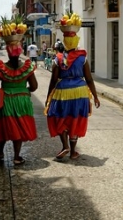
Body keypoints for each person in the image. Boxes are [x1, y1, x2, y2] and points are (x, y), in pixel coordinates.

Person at [45, 22, 100, 160]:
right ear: (76, 42)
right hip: (80, 91)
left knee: (60, 117)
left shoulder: (58, 59)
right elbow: (89, 79)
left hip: (62, 91)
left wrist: (48, 97)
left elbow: (53, 80)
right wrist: (95, 96)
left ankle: (65, 146)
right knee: (75, 119)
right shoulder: (82, 58)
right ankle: (73, 151)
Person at [0, 38, 38, 165]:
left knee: (5, 126)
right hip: (22, 100)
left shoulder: (1, 68)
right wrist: (23, 89)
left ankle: (0, 150)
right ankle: (17, 156)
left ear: (8, 53)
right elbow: (34, 86)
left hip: (5, 100)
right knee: (20, 127)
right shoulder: (27, 67)